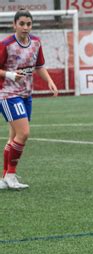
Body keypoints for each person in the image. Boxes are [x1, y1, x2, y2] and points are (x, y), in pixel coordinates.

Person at [0, 9, 58, 190]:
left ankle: (5, 178)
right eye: (22, 24)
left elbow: (39, 66)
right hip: (7, 93)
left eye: (28, 24)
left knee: (14, 137)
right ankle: (10, 175)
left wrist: (49, 81)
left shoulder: (36, 43)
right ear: (14, 25)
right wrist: (10, 75)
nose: (25, 27)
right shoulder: (6, 44)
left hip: (26, 94)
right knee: (23, 133)